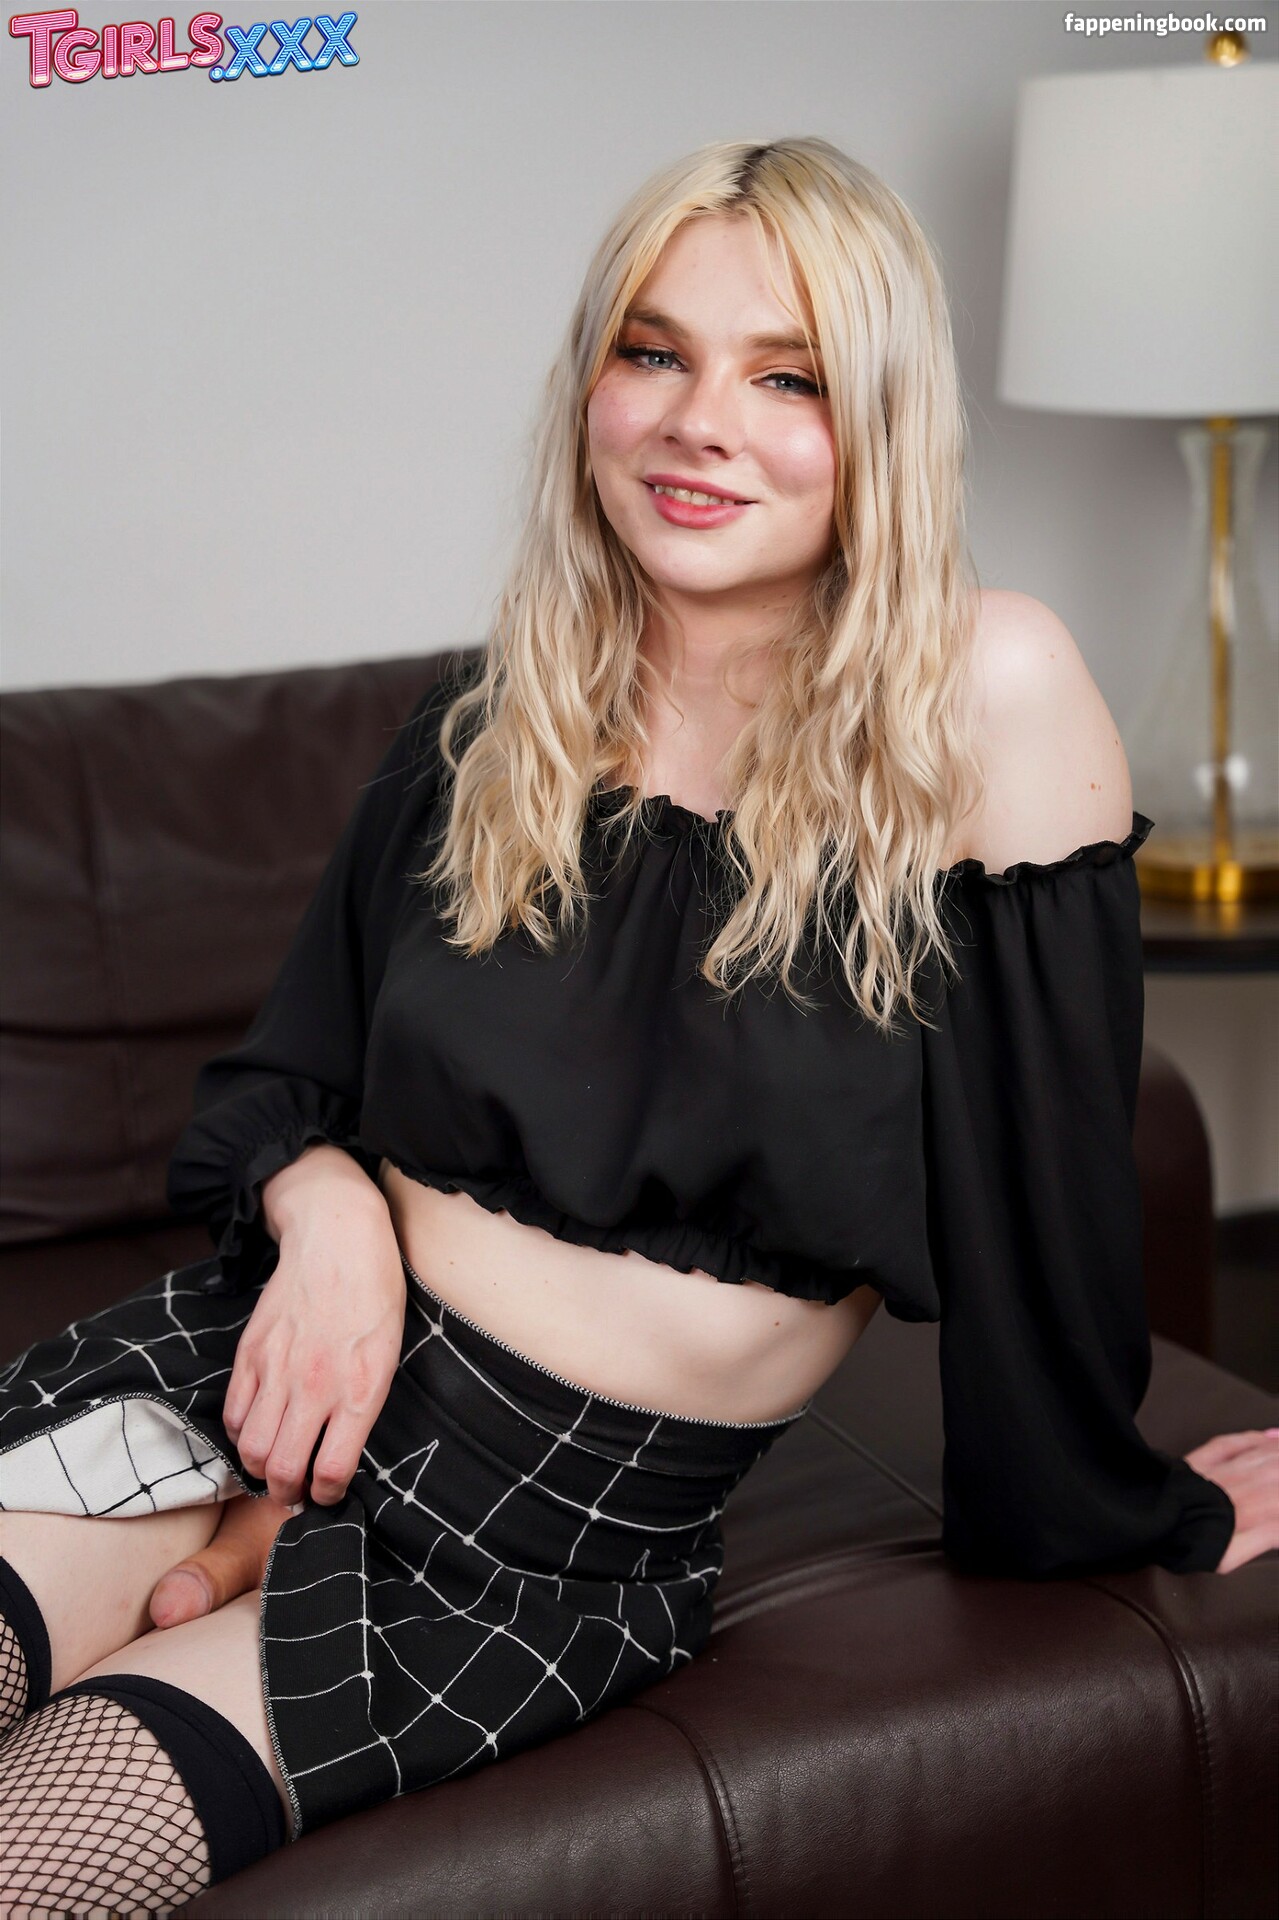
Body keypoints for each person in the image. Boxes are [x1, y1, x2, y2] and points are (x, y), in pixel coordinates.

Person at [1, 134, 1274, 1911]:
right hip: (257, 1369)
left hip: (534, 1541)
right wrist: (331, 1213)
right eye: (654, 352)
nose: (698, 422)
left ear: (883, 420)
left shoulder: (985, 692)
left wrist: (1134, 1505)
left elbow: (1050, 1194)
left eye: (788, 378)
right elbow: (278, 1083)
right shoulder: (493, 719)